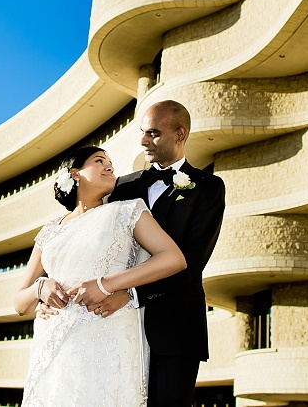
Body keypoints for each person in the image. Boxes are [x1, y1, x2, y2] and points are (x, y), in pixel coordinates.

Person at [78, 100, 226, 407]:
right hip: (116, 324)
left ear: (180, 134)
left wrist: (130, 294)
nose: (144, 141)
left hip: (175, 328)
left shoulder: (208, 187)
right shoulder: (120, 187)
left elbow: (191, 262)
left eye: (154, 133)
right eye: (143, 132)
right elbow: (95, 244)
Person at [14, 145, 186, 407]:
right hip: (53, 342)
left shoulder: (127, 211)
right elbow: (19, 303)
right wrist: (40, 288)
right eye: (99, 161)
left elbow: (173, 259)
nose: (110, 167)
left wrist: (107, 285)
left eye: (111, 163)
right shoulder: (49, 231)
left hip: (107, 331)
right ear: (74, 173)